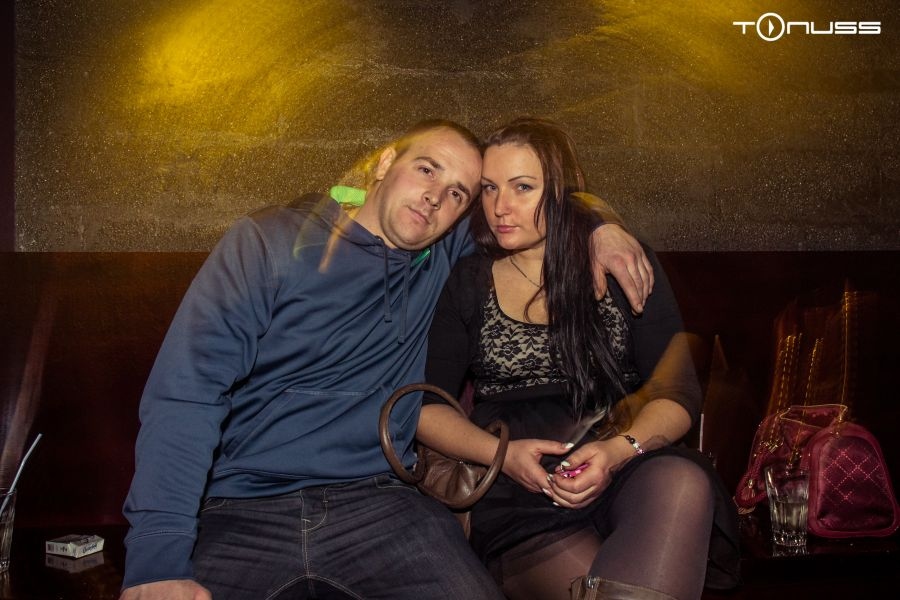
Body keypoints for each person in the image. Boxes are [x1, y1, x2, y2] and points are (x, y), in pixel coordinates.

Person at [119, 118, 654, 600]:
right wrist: (156, 561)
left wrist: (601, 225)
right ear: (383, 163)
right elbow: (186, 395)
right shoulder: (267, 243)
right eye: (426, 169)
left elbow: (541, 207)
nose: (435, 198)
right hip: (241, 506)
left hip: (380, 504)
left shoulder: (445, 252)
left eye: (458, 193)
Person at [419, 118, 740, 600]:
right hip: (521, 487)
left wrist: (617, 452)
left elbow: (678, 394)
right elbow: (426, 407)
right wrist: (502, 457)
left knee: (682, 480)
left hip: (623, 459)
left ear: (562, 190)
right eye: (489, 188)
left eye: (522, 187)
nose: (500, 207)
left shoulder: (623, 263)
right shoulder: (467, 280)